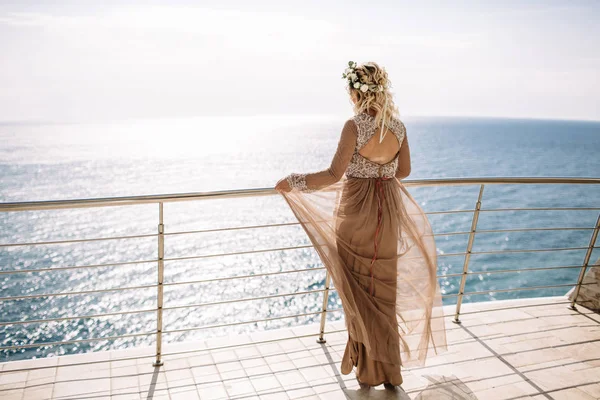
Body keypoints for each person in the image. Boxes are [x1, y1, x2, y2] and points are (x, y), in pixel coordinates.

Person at [275, 61, 448, 389]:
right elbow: (404, 171)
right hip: (387, 212)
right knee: (383, 293)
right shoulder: (398, 128)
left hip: (356, 215)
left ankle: (366, 367)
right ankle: (390, 373)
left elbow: (332, 176)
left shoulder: (354, 126)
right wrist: (379, 171)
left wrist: (293, 180)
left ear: (357, 91)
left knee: (356, 292)